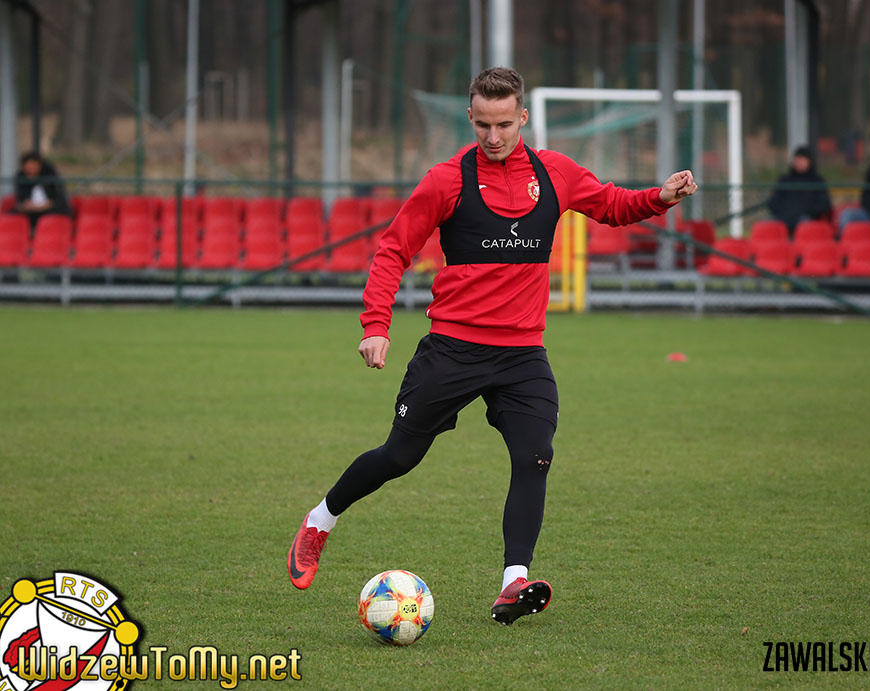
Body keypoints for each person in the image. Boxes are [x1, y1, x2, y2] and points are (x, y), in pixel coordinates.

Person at [287, 67, 698, 625]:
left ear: (522, 117)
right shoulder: (445, 180)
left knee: (535, 456)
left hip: (523, 355)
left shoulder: (555, 173)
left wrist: (661, 196)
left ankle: (513, 583)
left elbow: (612, 205)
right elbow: (393, 250)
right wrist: (375, 324)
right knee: (399, 457)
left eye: (504, 124)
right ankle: (319, 521)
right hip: (452, 348)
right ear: (470, 118)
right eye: (483, 124)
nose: (494, 136)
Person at [766, 146, 831, 234]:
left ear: (809, 161)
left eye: (802, 160)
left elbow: (824, 204)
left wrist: (805, 212)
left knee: (805, 224)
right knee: (767, 225)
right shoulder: (784, 180)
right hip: (783, 217)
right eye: (797, 159)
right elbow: (773, 202)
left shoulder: (817, 181)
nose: (799, 162)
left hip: (805, 218)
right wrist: (785, 213)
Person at [14, 152, 71, 229]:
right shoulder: (21, 177)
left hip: (52, 211)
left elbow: (58, 198)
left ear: (39, 165)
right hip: (31, 212)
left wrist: (46, 205)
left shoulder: (51, 176)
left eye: (32, 168)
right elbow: (21, 200)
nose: (30, 171)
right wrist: (26, 205)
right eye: (27, 169)